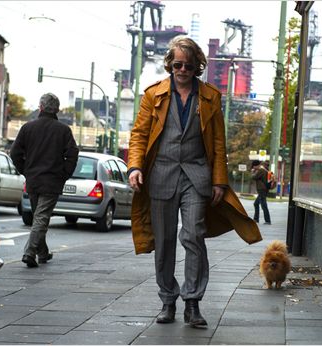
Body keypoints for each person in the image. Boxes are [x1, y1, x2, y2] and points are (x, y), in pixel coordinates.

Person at [127, 36, 261, 328]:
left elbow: (218, 142)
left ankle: (192, 303)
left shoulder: (211, 96)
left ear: (197, 65)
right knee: (163, 242)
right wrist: (135, 166)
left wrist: (219, 182)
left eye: (188, 65)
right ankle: (167, 300)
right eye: (177, 65)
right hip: (161, 175)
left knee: (193, 237)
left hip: (197, 176)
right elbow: (138, 135)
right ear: (170, 65)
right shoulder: (153, 95)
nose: (182, 70)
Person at [10, 93, 79, 268]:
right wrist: (64, 174)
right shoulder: (63, 130)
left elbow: (15, 153)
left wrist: (25, 171)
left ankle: (37, 252)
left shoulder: (28, 128)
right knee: (40, 219)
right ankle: (33, 252)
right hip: (52, 182)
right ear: (57, 109)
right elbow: (72, 154)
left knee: (39, 218)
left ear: (40, 107)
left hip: (33, 181)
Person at [251, 160, 271, 225]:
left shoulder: (261, 170)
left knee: (263, 205)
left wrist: (253, 173)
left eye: (253, 166)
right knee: (256, 203)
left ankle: (267, 220)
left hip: (262, 190)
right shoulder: (262, 170)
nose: (253, 168)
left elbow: (254, 177)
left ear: (256, 165)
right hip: (262, 190)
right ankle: (256, 219)